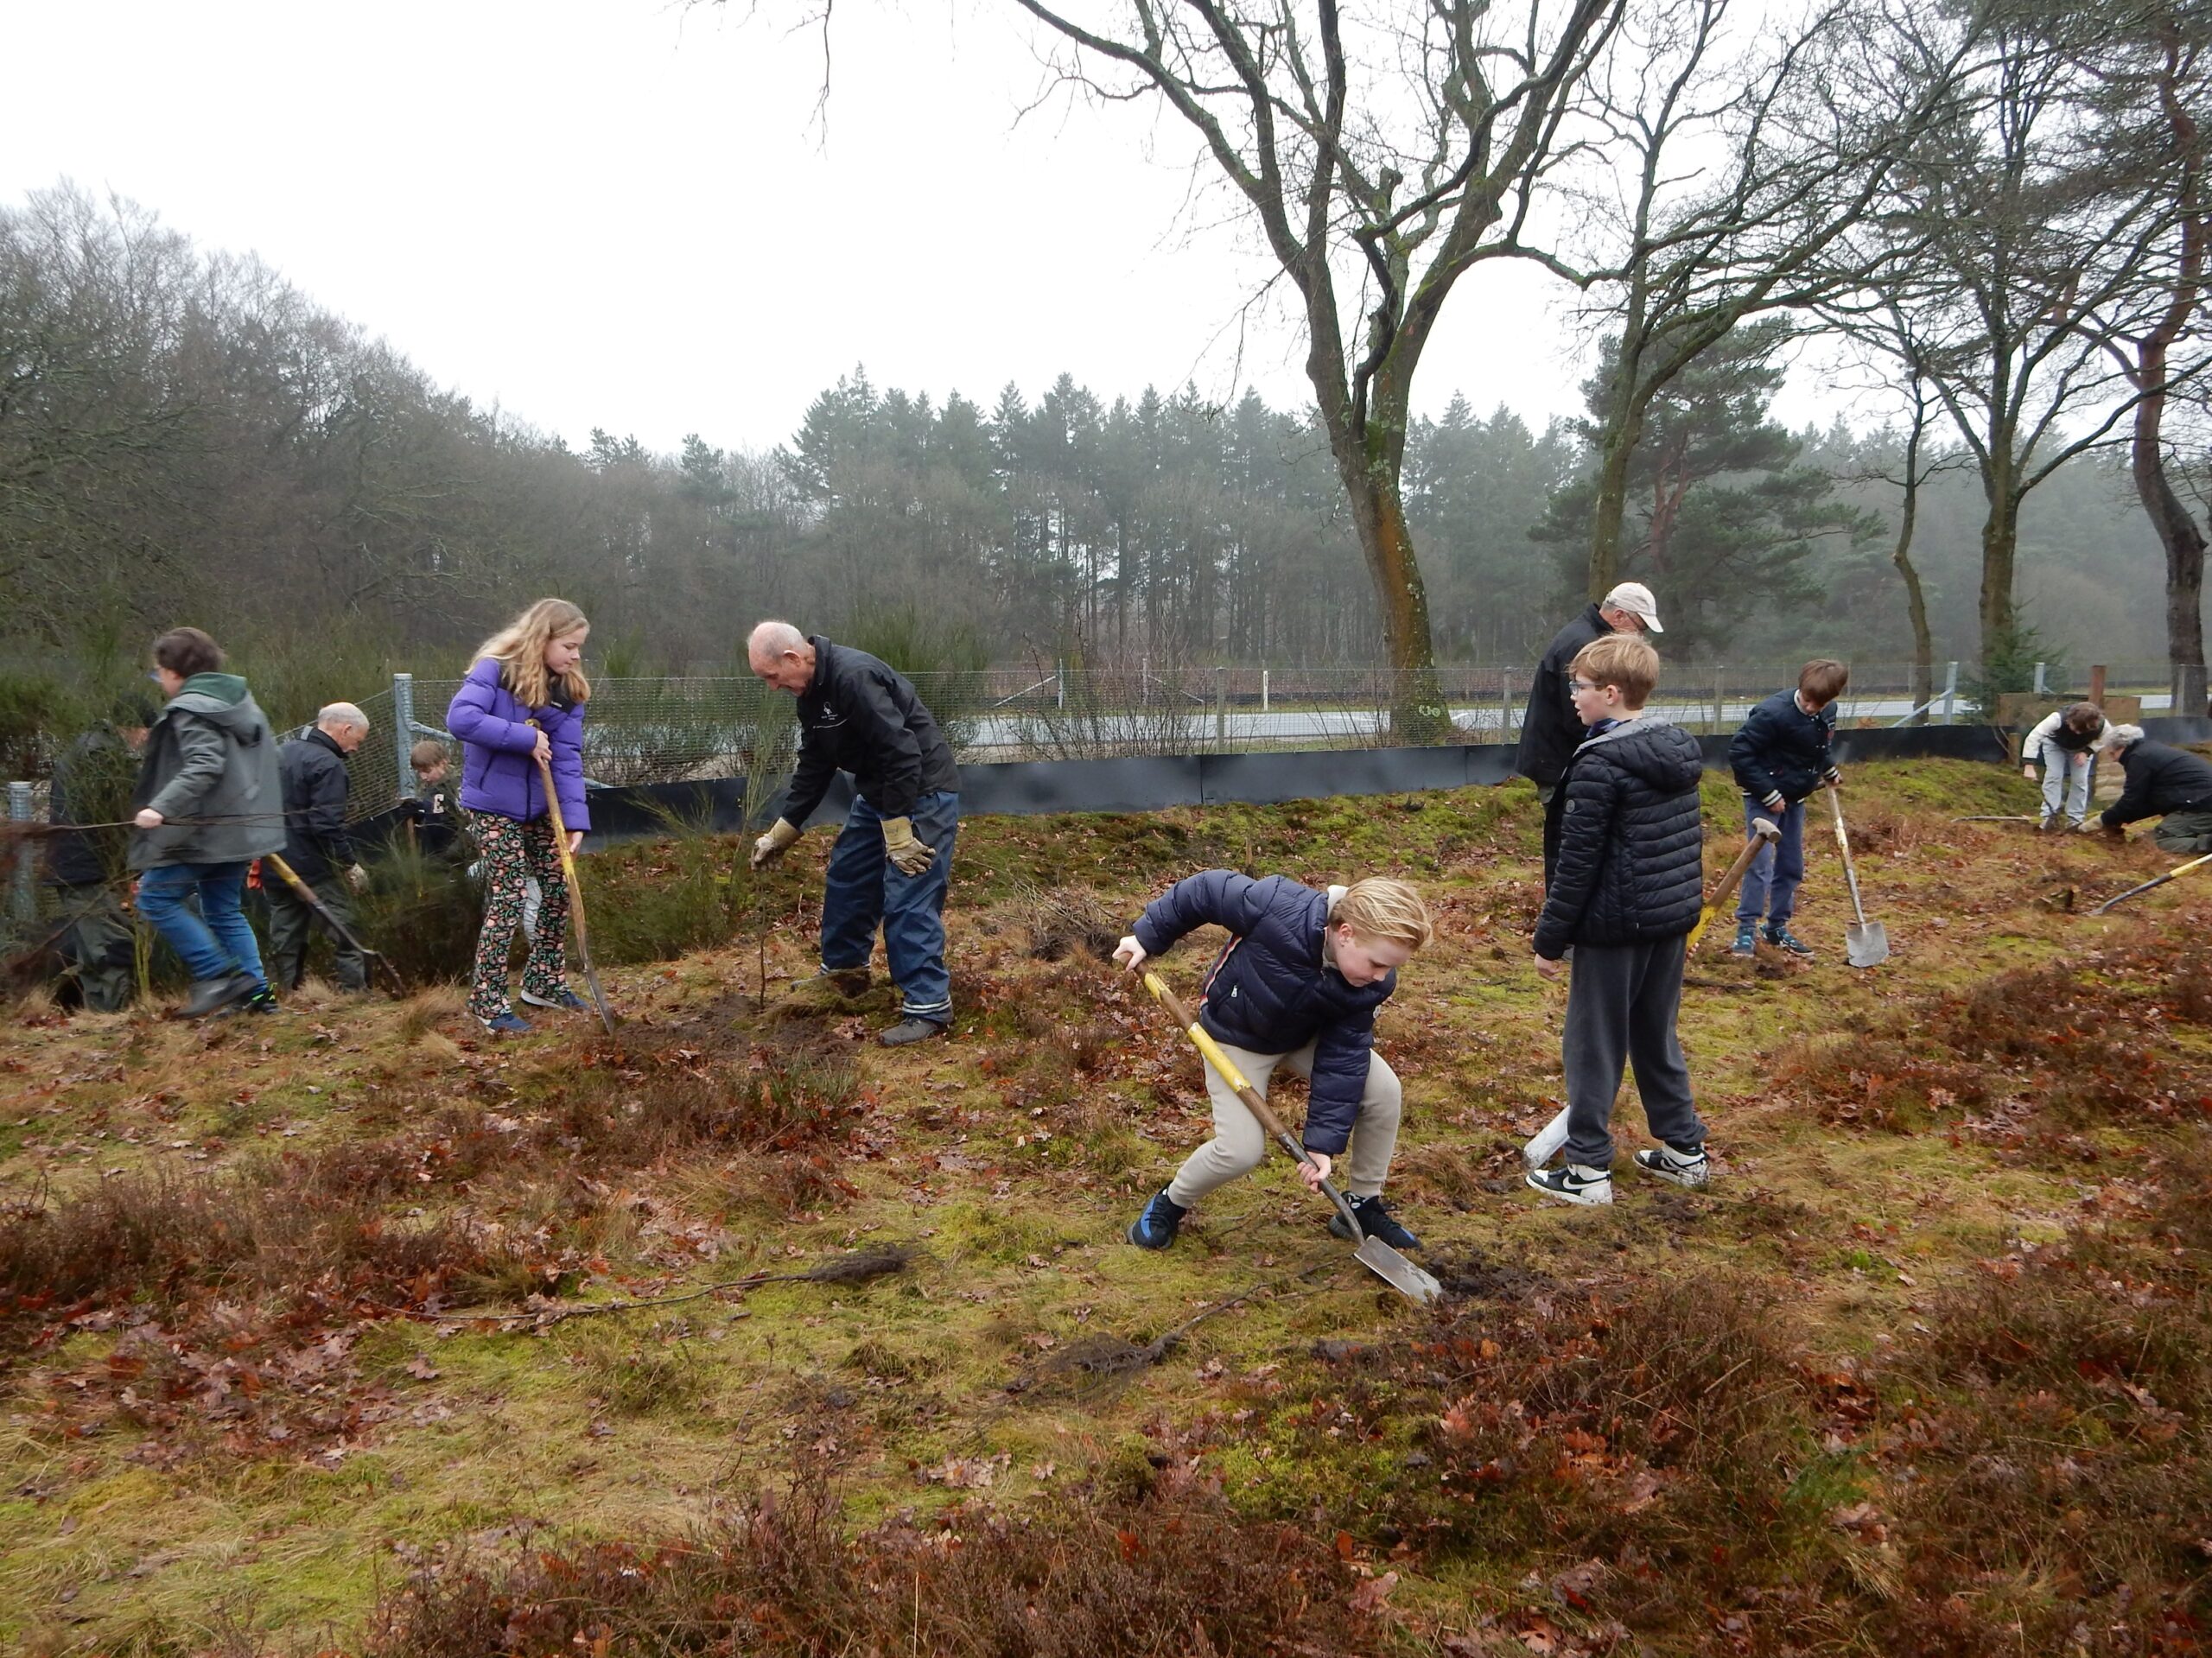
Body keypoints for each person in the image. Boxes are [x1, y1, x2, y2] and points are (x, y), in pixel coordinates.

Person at [1112, 874, 1434, 1252]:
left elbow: (1343, 1057)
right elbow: (1206, 891)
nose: (1382, 977)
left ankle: (1361, 1204)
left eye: (1390, 968)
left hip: (1302, 1037)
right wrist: (1147, 937)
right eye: (1377, 964)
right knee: (1240, 1151)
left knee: (1382, 1090)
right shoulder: (1277, 906)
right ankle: (1170, 1202)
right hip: (1235, 1036)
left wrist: (1321, 1146)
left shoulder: (1373, 982)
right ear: (1345, 933)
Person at [1525, 632, 1707, 1208]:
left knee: (1592, 1046)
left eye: (1579, 687)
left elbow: (1577, 867)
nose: (1572, 696)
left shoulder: (1600, 764)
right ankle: (1685, 1152)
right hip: (1667, 923)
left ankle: (1586, 1170)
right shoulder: (1673, 748)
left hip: (1612, 930)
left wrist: (1549, 940)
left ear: (1610, 692)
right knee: (1655, 1035)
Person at [746, 621, 961, 1046]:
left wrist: (899, 832)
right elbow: (815, 764)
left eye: (771, 676)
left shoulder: (854, 677)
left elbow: (903, 752)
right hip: (877, 792)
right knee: (848, 878)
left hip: (922, 791)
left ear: (792, 658)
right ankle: (844, 976)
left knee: (908, 896)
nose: (772, 687)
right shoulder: (811, 693)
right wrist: (783, 832)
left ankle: (929, 1006)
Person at [447, 598, 592, 1034]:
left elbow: (567, 758)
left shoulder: (568, 691)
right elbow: (461, 719)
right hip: (493, 805)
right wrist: (523, 738)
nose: (576, 656)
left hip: (542, 807)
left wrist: (574, 820)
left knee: (557, 889)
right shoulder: (494, 671)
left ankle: (543, 982)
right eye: (569, 646)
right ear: (542, 638)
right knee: (509, 895)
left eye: (579, 647)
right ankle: (487, 999)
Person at [128, 627, 287, 1019]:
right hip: (240, 830)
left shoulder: (191, 708)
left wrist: (160, 808)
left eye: (158, 673)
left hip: (202, 832)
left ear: (173, 672)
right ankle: (257, 996)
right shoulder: (240, 702)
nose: (160, 681)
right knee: (223, 910)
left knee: (155, 898)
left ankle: (217, 976)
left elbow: (204, 764)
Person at [1516, 581, 1663, 888]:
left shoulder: (1591, 639)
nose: (1639, 637)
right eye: (1639, 627)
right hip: (1561, 766)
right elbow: (1578, 720)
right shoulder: (1584, 646)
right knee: (1573, 853)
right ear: (1620, 616)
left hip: (1570, 763)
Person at [1726, 659, 1847, 959]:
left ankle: (1776, 927)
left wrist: (1828, 769)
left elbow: (1817, 748)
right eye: (1807, 700)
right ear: (1801, 687)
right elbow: (1740, 753)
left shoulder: (1827, 711)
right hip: (1763, 796)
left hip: (1796, 797)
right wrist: (1768, 794)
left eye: (1819, 704)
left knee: (1791, 865)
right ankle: (1746, 929)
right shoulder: (1772, 714)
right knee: (1760, 865)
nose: (1811, 707)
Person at [45, 694, 154, 1013]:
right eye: (146, 731)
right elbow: (117, 818)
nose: (146, 739)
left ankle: (98, 1017)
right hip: (89, 868)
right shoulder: (102, 757)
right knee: (111, 948)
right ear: (133, 727)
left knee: (94, 952)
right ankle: (111, 1019)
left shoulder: (90, 747)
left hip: (77, 866)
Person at [266, 702, 372, 993]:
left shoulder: (279, 754)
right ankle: (355, 993)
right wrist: (349, 864)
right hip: (314, 868)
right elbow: (326, 824)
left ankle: (279, 997)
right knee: (346, 929)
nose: (356, 749)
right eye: (358, 741)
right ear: (345, 729)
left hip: (275, 863)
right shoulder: (328, 765)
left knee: (284, 937)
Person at [2088, 726, 2212, 853]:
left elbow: (2131, 801)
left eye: (2112, 753)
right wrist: (2117, 818)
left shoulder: (2139, 758)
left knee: (2159, 840)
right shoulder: (2151, 751)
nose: (2113, 759)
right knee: (2145, 839)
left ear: (2122, 747)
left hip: (2201, 805)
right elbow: (2149, 803)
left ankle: (2208, 844)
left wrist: (2102, 820)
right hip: (2200, 800)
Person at [2021, 702, 2107, 831]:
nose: (2078, 733)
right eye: (2076, 728)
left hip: (2081, 749)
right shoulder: (2057, 718)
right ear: (2070, 720)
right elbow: (2034, 736)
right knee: (2054, 776)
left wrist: (2087, 752)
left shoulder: (2102, 726)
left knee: (2080, 781)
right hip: (2055, 745)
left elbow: (2105, 739)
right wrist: (2029, 765)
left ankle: (2075, 820)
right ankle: (2048, 816)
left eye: (2082, 731)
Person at [398, 738, 466, 861]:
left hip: (458, 855)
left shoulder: (457, 787)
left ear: (443, 763)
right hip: (436, 855)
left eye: (427, 771)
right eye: (419, 772)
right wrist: (418, 811)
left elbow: (466, 821)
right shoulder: (431, 790)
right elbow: (436, 815)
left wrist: (456, 850)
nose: (423, 777)